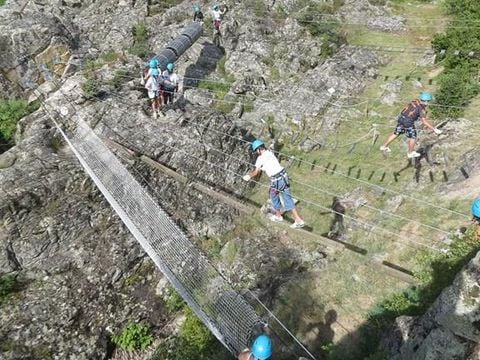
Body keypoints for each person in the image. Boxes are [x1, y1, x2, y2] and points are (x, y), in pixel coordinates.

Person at [243, 139, 305, 229]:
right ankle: (298, 220)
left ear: (258, 150)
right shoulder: (270, 153)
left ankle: (278, 216)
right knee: (287, 197)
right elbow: (270, 164)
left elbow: (256, 172)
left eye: (256, 151)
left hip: (276, 180)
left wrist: (248, 176)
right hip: (284, 176)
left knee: (273, 196)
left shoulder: (260, 158)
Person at [380, 91, 443, 159]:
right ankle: (410, 153)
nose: (428, 103)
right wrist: (434, 129)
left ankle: (384, 146)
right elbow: (424, 121)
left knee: (396, 133)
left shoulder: (415, 101)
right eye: (428, 101)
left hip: (401, 118)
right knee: (413, 137)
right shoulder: (421, 110)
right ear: (426, 101)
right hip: (408, 122)